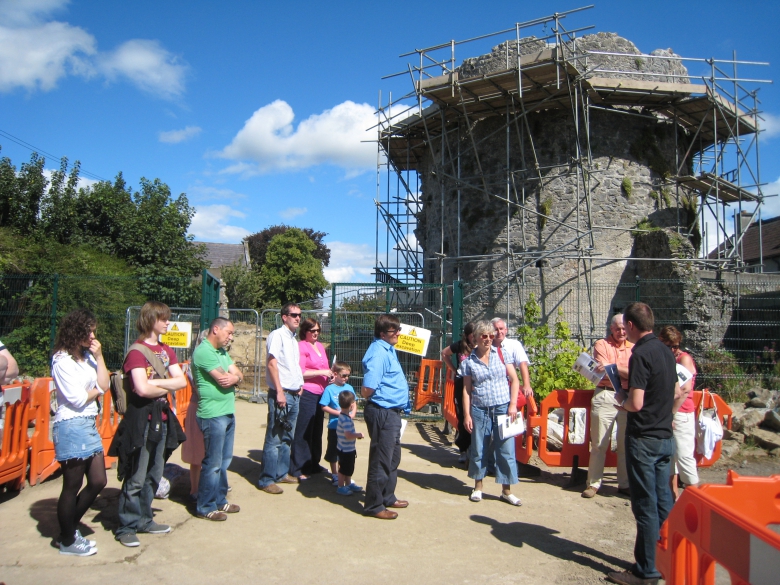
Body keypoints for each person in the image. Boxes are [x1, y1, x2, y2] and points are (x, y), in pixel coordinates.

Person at [607, 302, 680, 585]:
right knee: (664, 501)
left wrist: (621, 402)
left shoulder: (641, 353)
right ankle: (668, 560)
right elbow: (673, 391)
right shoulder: (665, 351)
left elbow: (635, 402)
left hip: (644, 437)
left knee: (645, 505)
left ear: (631, 326)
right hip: (664, 436)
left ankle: (646, 569)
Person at [110, 301, 187, 548]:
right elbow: (141, 389)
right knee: (136, 475)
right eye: (164, 318)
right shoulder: (136, 352)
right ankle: (127, 526)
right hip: (141, 419)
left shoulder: (167, 349)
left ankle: (145, 518)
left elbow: (182, 382)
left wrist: (158, 385)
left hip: (162, 418)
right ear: (151, 320)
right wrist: (166, 385)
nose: (168, 323)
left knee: (154, 473)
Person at [51, 309, 109, 556]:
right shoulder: (62, 360)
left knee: (98, 480)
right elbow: (75, 398)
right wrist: (96, 390)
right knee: (72, 484)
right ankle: (67, 539)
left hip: (87, 423)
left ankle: (68, 531)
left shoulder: (88, 357)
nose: (93, 335)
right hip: (71, 425)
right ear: (76, 332)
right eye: (89, 331)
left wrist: (99, 355)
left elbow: (105, 384)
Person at [460, 319, 527, 506]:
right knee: (479, 448)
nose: (489, 339)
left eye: (491, 336)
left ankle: (506, 490)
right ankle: (478, 487)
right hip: (480, 408)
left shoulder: (502, 354)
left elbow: (514, 380)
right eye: (484, 336)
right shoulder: (469, 361)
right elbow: (466, 390)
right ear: (476, 338)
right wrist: (467, 415)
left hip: (503, 408)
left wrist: (513, 404)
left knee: (505, 449)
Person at [193, 317, 243, 521]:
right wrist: (235, 379)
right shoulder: (204, 351)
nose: (231, 337)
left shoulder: (222, 352)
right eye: (229, 333)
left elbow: (237, 374)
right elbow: (224, 379)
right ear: (216, 329)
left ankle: (220, 499)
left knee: (223, 461)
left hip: (227, 412)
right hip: (213, 415)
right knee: (212, 463)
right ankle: (205, 506)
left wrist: (236, 378)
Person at [361, 314, 409, 520]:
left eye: (398, 329)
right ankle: (374, 505)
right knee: (381, 459)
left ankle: (387, 496)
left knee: (392, 457)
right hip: (383, 411)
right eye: (394, 330)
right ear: (382, 334)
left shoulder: (387, 349)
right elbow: (368, 387)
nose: (398, 333)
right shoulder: (378, 353)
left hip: (392, 412)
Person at [583, 314, 633, 499]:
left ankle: (625, 484)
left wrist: (612, 367)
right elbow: (602, 372)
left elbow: (634, 373)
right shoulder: (601, 345)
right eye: (617, 328)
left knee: (625, 443)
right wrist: (623, 371)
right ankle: (593, 484)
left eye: (623, 328)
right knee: (599, 443)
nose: (621, 332)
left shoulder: (634, 347)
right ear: (611, 329)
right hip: (606, 394)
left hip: (628, 396)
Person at [258, 303, 304, 494]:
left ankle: (281, 473)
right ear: (284, 317)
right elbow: (272, 363)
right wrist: (279, 391)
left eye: (299, 315)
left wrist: (299, 385)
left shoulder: (293, 338)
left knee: (287, 436)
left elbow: (292, 365)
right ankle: (267, 479)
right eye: (294, 315)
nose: (298, 318)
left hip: (294, 394)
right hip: (282, 393)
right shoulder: (277, 335)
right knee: (274, 437)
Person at [658, 325, 698, 500]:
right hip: (668, 411)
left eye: (675, 346)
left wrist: (672, 414)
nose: (673, 350)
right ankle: (672, 497)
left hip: (681, 412)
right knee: (670, 457)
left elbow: (684, 390)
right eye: (669, 346)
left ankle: (694, 496)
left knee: (683, 455)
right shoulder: (666, 357)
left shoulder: (683, 359)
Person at [290, 317, 332, 480]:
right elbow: (300, 371)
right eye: (312, 331)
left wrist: (331, 375)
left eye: (318, 330)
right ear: (305, 332)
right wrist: (321, 373)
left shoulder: (320, 346)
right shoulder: (302, 346)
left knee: (316, 430)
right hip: (307, 393)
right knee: (304, 430)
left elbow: (325, 367)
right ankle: (298, 467)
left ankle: (313, 463)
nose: (316, 333)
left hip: (322, 393)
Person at [319, 361, 358, 487]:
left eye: (348, 376)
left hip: (347, 426)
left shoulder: (349, 388)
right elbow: (323, 406)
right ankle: (335, 474)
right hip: (334, 426)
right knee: (333, 451)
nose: (346, 378)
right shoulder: (329, 389)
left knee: (346, 453)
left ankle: (345, 475)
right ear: (335, 374)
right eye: (343, 375)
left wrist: (353, 414)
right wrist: (338, 413)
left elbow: (355, 402)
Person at [441, 322, 475, 464]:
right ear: (467, 335)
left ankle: (475, 450)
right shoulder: (460, 345)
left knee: (476, 417)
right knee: (462, 416)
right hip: (461, 383)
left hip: (476, 384)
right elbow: (444, 353)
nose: (477, 338)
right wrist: (454, 370)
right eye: (474, 335)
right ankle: (463, 450)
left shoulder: (482, 347)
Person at [181, 331, 208, 503]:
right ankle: (195, 489)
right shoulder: (196, 363)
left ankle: (207, 486)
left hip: (209, 408)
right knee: (197, 453)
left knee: (208, 452)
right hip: (199, 407)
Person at [334, 390, 365, 496]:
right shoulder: (346, 420)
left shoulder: (343, 416)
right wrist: (358, 435)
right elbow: (348, 435)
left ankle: (348, 484)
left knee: (348, 468)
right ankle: (340, 486)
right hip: (346, 450)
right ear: (352, 405)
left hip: (344, 448)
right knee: (344, 469)